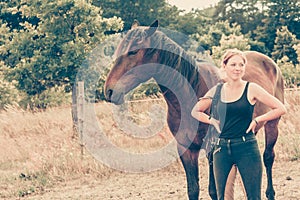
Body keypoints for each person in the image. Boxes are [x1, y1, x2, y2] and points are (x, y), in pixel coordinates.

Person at [191, 49, 287, 200]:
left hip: (247, 148)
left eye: (241, 65)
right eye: (233, 64)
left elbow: (281, 108)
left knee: (253, 197)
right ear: (224, 66)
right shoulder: (216, 91)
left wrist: (258, 120)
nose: (238, 68)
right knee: (224, 197)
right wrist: (211, 121)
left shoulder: (252, 88)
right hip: (222, 151)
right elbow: (195, 111)